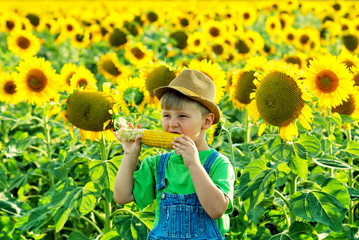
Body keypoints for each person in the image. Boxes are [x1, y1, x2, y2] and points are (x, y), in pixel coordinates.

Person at [113, 69, 235, 239]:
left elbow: (216, 210)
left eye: (182, 116)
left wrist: (193, 163)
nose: (172, 124)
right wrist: (129, 155)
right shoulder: (157, 164)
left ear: (206, 121)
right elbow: (122, 196)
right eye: (167, 115)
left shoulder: (218, 164)